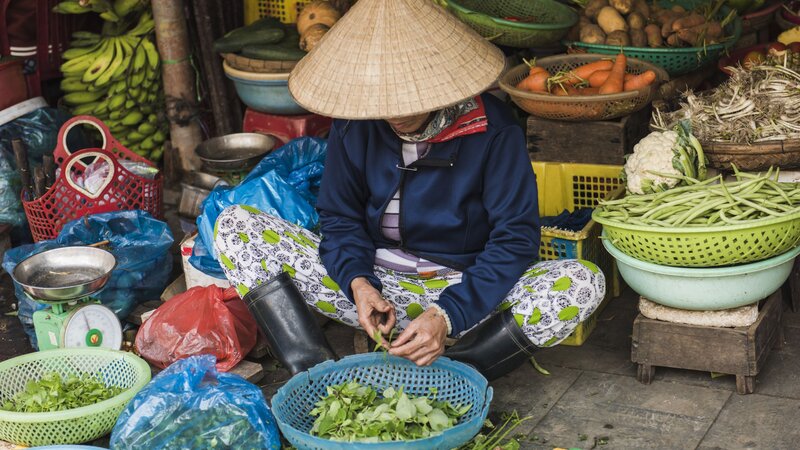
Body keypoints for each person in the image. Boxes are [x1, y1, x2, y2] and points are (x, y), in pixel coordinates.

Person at [214, 0, 605, 380]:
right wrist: (359, 283)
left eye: (407, 98)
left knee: (583, 282)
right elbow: (339, 217)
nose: (395, 111)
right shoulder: (356, 123)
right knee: (235, 226)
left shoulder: (494, 129)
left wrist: (446, 315)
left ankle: (453, 374)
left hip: (463, 293)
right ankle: (319, 375)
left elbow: (516, 238)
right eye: (383, 98)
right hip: (379, 290)